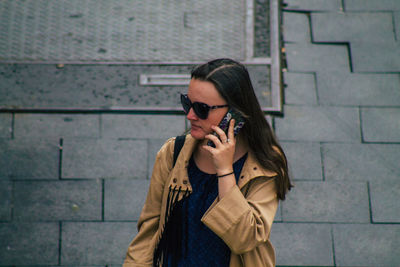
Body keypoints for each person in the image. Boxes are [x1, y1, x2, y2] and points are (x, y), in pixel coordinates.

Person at [123, 58, 292, 267]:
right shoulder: (172, 153)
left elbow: (245, 239)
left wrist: (224, 170)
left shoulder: (264, 165)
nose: (190, 115)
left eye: (201, 108)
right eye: (187, 103)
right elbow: (150, 231)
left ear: (234, 113)